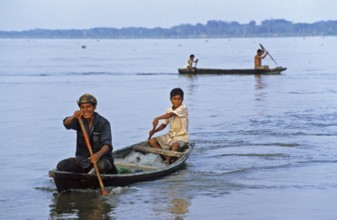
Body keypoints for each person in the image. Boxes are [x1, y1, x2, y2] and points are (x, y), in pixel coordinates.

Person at [57, 94, 118, 174]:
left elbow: (107, 145)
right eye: (82, 107)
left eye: (88, 107)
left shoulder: (103, 123)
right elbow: (66, 124)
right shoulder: (79, 120)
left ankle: (90, 175)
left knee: (101, 166)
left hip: (102, 159)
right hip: (83, 160)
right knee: (62, 165)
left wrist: (98, 155)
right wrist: (73, 117)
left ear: (94, 107)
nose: (85, 110)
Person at [148, 88, 189, 164]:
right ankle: (167, 157)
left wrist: (157, 118)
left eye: (179, 99)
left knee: (175, 145)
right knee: (152, 141)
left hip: (181, 137)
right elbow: (164, 124)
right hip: (170, 136)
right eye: (174, 99)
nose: (177, 101)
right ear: (170, 99)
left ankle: (167, 160)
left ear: (182, 99)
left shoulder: (183, 108)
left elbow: (170, 114)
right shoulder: (168, 109)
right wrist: (154, 131)